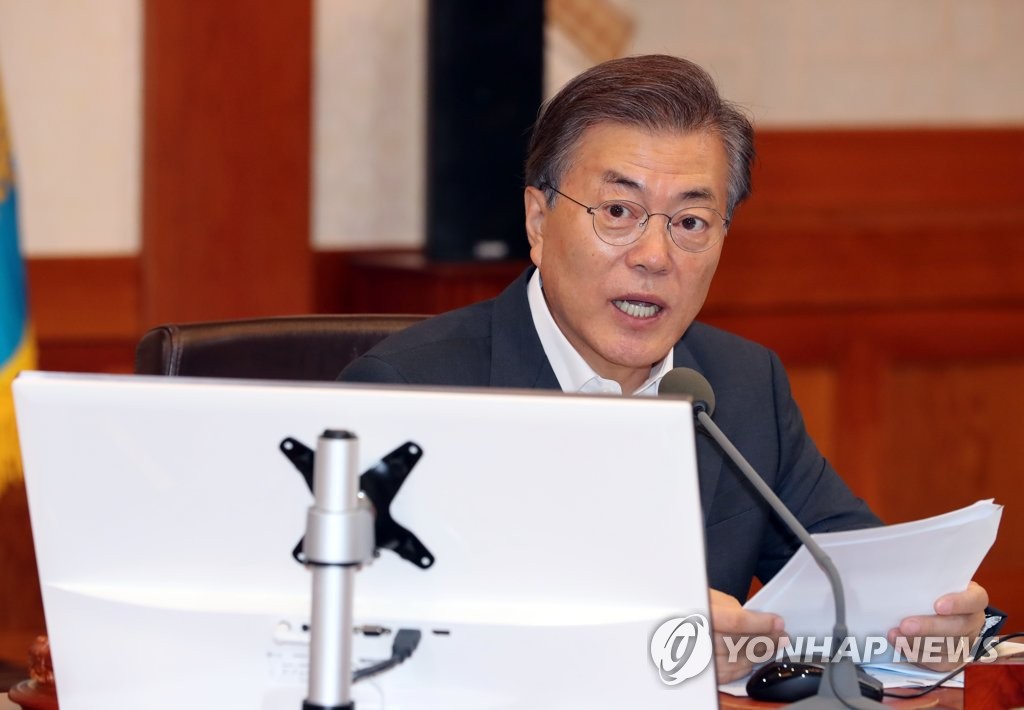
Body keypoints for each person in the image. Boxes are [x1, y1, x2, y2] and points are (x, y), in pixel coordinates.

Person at [339, 54, 989, 683]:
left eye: (691, 221)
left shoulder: (742, 384)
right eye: (618, 212)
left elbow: (860, 582)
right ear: (538, 221)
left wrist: (934, 624)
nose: (654, 255)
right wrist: (647, 646)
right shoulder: (412, 396)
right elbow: (364, 639)